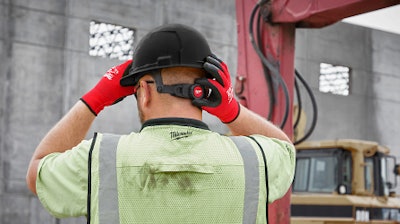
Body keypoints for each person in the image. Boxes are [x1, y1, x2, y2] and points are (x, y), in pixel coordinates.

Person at [26, 24, 295, 224]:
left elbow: (37, 171)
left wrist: (95, 99)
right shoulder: (253, 159)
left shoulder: (100, 158)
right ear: (208, 87)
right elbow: (285, 148)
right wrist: (232, 111)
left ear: (144, 91)